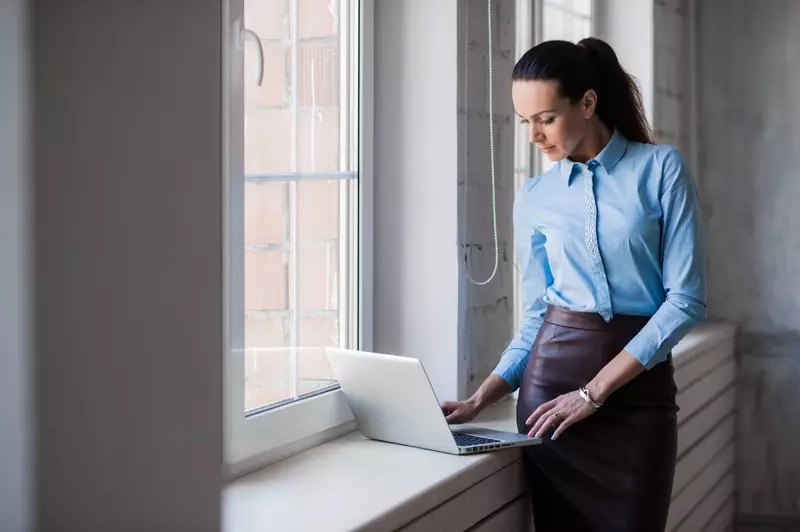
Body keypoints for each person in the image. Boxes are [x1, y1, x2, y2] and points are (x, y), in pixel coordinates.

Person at [441, 37, 706, 532]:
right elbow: (537, 316)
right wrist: (483, 398)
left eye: (544, 118)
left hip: (635, 397)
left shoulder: (661, 169)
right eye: (524, 122)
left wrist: (593, 393)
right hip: (550, 401)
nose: (533, 136)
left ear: (587, 102)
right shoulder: (535, 195)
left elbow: (686, 301)